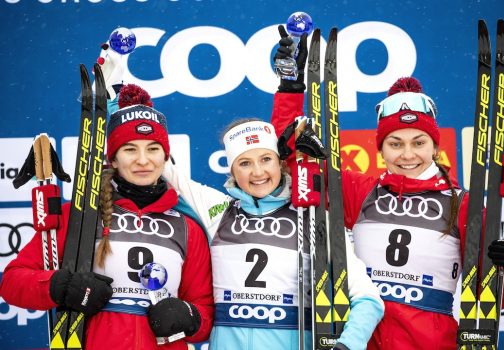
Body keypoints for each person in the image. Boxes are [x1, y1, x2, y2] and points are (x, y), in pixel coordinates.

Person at [271, 27, 472, 349]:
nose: (407, 155)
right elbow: (293, 156)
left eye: (419, 143)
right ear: (381, 149)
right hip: (362, 337)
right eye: (395, 144)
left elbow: (497, 291)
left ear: (435, 147)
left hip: (430, 342)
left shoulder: (461, 204)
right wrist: (290, 91)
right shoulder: (361, 190)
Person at [162, 68, 384, 349]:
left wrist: (347, 345)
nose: (258, 172)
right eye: (244, 163)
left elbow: (368, 300)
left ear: (279, 163)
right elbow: (159, 164)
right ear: (231, 170)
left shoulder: (314, 219)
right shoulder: (218, 211)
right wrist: (116, 104)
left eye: (266, 159)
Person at [0, 84, 214, 349]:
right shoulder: (80, 214)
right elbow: (12, 282)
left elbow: (205, 313)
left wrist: (190, 317)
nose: (143, 160)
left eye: (153, 149)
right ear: (113, 158)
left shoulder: (187, 227)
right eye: (130, 149)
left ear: (165, 156)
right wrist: (61, 286)